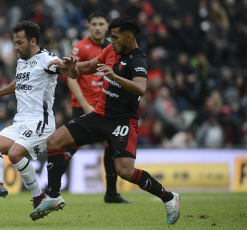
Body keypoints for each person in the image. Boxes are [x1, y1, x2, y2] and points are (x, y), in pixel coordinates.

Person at [31, 16, 181, 225]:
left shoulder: (138, 60)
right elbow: (85, 68)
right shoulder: (111, 50)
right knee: (54, 141)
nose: (112, 41)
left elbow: (141, 88)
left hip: (122, 122)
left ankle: (169, 197)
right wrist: (70, 66)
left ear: (129, 38)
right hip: (99, 115)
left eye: (115, 37)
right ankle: (54, 195)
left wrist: (114, 76)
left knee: (125, 171)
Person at [0, 20, 65, 220]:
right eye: (15, 43)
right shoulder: (22, 62)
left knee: (15, 154)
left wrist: (72, 68)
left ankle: (39, 198)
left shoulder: (47, 59)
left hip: (40, 122)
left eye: (20, 43)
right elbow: (21, 81)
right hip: (21, 122)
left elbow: (68, 70)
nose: (16, 47)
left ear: (33, 41)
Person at [47, 11, 130, 204]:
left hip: (105, 108)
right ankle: (51, 187)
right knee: (68, 146)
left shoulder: (112, 48)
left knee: (111, 147)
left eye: (102, 24)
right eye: (94, 24)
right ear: (89, 26)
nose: (98, 27)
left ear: (107, 27)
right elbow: (71, 78)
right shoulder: (80, 48)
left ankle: (111, 193)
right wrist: (85, 105)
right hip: (84, 106)